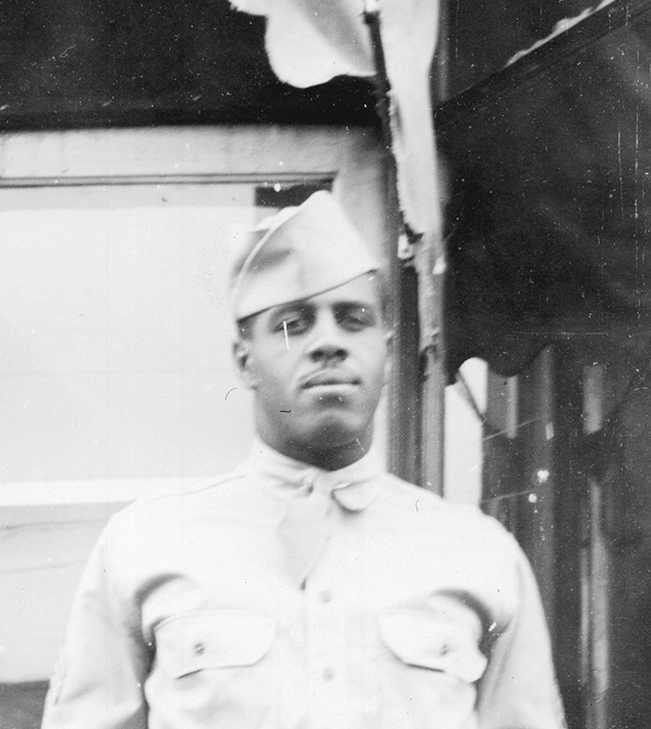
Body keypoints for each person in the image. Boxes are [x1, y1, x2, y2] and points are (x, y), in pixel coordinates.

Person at [41, 191, 565, 729]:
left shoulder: (478, 555)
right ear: (244, 360)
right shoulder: (145, 546)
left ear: (385, 350)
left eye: (353, 319)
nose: (328, 344)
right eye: (294, 324)